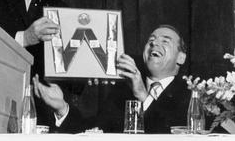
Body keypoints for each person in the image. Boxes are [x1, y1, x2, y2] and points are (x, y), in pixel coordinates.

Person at [33, 24, 190, 133]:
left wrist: (143, 96)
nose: (154, 42)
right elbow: (94, 131)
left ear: (181, 58)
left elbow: (174, 138)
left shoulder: (192, 94)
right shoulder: (122, 90)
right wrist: (62, 108)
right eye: (151, 40)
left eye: (165, 41)